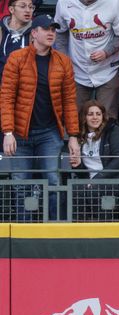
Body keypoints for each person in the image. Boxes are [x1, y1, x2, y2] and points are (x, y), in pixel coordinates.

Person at [1, 14, 80, 221]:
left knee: (53, 182)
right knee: (21, 185)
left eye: (53, 29)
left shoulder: (63, 61)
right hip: (19, 133)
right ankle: (23, 234)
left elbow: (69, 101)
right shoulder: (16, 58)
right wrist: (7, 132)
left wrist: (73, 136)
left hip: (49, 132)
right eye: (46, 29)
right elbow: (6, 97)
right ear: (34, 33)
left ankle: (56, 230)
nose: (51, 33)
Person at [53, 0, 119, 120]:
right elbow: (60, 32)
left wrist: (107, 51)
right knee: (72, 118)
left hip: (107, 69)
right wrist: (64, 58)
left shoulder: (113, 3)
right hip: (76, 69)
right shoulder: (64, 3)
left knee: (106, 119)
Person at [68, 99, 119, 178]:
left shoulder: (113, 130)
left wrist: (99, 178)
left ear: (103, 116)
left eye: (98, 114)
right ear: (84, 117)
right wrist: (78, 165)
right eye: (90, 114)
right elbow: (82, 175)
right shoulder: (79, 136)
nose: (95, 117)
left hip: (112, 181)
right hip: (89, 184)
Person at [0, 0, 33, 82]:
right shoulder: (1, 31)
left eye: (31, 7)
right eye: (23, 6)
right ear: (11, 9)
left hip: (25, 84)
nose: (28, 10)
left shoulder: (35, 32)